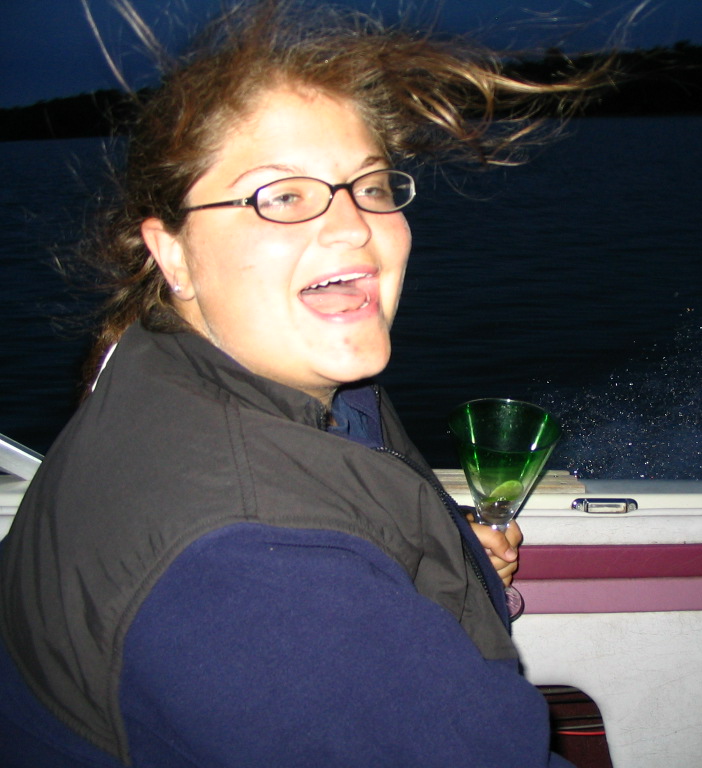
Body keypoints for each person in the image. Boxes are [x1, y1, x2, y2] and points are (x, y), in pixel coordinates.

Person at [0, 2, 607, 765]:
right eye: (281, 196)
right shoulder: (257, 570)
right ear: (173, 253)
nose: (353, 226)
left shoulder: (223, 372)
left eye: (372, 187)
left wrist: (453, 557)